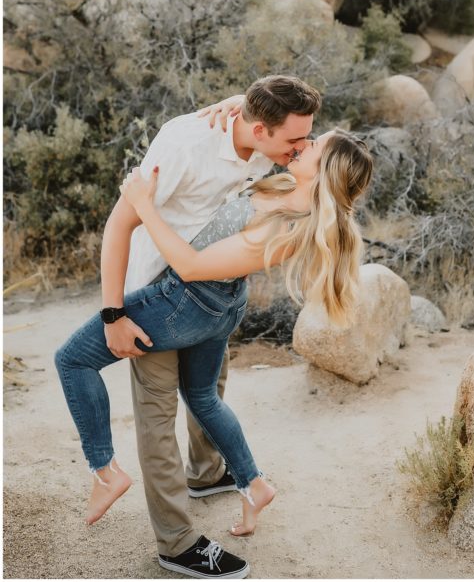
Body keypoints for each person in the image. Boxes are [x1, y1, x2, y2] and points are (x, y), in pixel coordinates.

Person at [55, 126, 373, 563]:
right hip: (220, 306)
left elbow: (188, 266)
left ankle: (104, 470)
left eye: (315, 146)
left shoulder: (285, 227)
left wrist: (142, 202)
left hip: (182, 304)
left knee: (71, 359)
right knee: (202, 395)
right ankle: (253, 484)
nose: (306, 143)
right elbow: (256, 131)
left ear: (324, 173)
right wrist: (228, 106)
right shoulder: (284, 187)